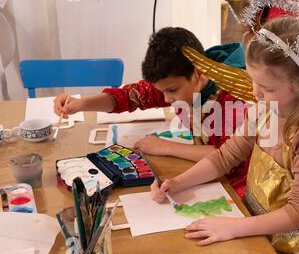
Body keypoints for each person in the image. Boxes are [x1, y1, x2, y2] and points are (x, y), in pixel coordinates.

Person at [150, 0, 299, 254]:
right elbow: (227, 156)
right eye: (252, 81)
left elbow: (298, 213)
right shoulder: (265, 109)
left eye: (266, 87)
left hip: (286, 247)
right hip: (250, 220)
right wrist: (177, 183)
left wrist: (234, 228)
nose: (255, 94)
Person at [53, 27, 250, 199]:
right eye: (162, 91)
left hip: (237, 186)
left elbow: (228, 156)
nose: (165, 99)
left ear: (198, 73)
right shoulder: (179, 79)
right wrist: (81, 104)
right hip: (205, 173)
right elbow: (130, 96)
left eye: (171, 91)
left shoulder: (235, 98)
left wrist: (166, 147)